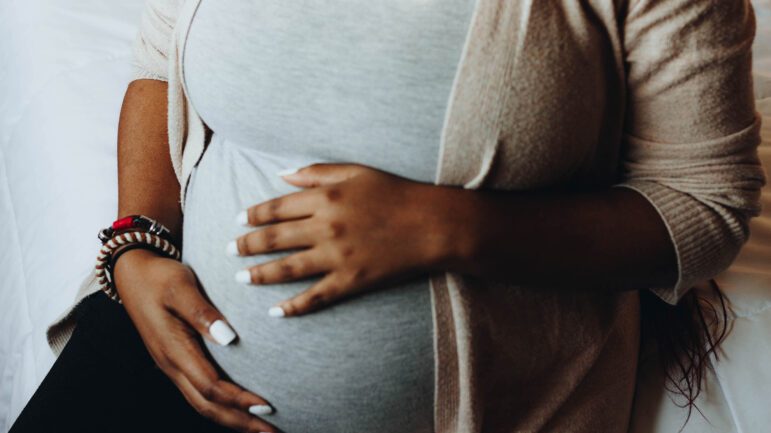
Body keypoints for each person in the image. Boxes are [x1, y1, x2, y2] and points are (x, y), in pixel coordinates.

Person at [10, 0, 766, 432]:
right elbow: (158, 56)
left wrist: (449, 228)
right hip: (168, 370)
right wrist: (136, 246)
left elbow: (702, 204)